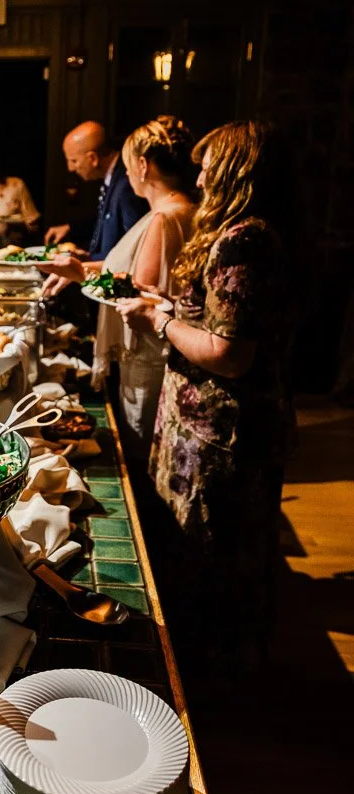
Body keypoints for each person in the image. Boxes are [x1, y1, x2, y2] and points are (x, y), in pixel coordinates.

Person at [117, 120, 296, 673]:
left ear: (237, 170)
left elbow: (228, 353)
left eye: (208, 164)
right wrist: (169, 309)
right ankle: (198, 657)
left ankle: (210, 674)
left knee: (214, 549)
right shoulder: (240, 230)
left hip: (219, 430)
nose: (198, 174)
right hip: (199, 420)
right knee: (194, 548)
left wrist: (158, 318)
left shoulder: (247, 238)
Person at [88, 116, 196, 461]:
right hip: (166, 352)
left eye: (127, 166)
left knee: (140, 450)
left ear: (143, 165)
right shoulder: (188, 208)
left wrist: (81, 276)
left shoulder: (163, 218)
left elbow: (143, 294)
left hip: (148, 357)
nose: (127, 175)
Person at [45, 120, 147, 260]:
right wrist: (72, 228)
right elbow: (107, 220)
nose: (70, 168)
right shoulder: (113, 177)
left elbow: (133, 251)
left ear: (93, 158)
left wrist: (85, 265)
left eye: (74, 161)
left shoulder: (126, 185)